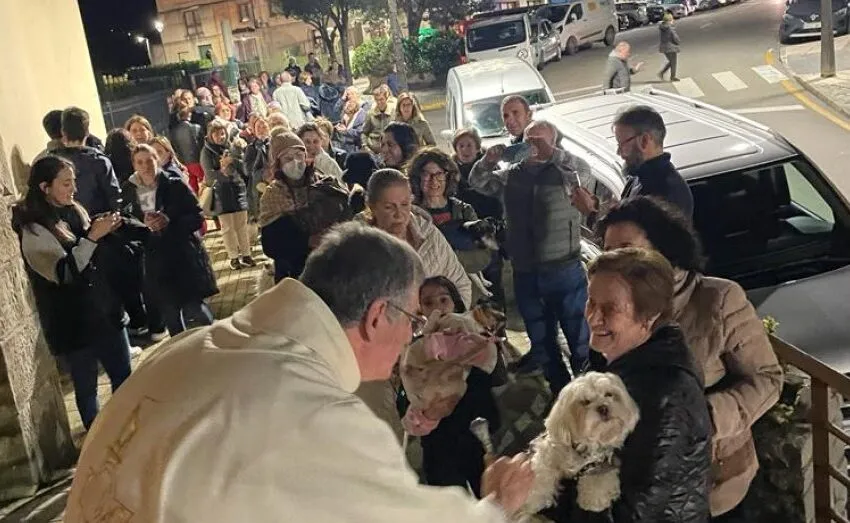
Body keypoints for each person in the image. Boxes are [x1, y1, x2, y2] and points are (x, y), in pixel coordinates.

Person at [64, 221, 534, 522]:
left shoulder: (183, 349)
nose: (412, 337)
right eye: (412, 320)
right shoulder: (314, 410)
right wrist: (496, 506)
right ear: (376, 317)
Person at [596, 196, 783, 520]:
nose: (616, 262)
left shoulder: (718, 300)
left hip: (714, 481)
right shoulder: (608, 307)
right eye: (609, 252)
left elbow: (767, 378)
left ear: (664, 249)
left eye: (627, 249)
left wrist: (703, 418)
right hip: (635, 481)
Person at [547, 247, 712, 523]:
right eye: (590, 302)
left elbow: (634, 514)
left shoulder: (666, 395)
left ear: (650, 316)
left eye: (609, 308)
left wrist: (558, 502)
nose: (593, 317)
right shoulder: (615, 358)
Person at [469, 120, 591, 394]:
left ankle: (589, 391)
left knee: (580, 339)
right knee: (542, 341)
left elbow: (584, 171)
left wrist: (553, 154)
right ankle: (561, 394)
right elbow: (477, 181)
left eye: (540, 140)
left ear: (554, 142)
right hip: (526, 272)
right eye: (529, 139)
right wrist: (488, 160)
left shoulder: (566, 173)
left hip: (565, 269)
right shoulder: (511, 175)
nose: (533, 145)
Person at [12, 156, 134, 430]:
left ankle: (127, 431)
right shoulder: (34, 229)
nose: (73, 189)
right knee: (87, 386)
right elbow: (65, 273)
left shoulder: (73, 209)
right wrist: (93, 237)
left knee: (124, 377)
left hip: (104, 309)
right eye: (66, 183)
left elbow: (88, 247)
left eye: (74, 182)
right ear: (45, 187)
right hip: (73, 321)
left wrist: (104, 228)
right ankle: (98, 440)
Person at [415, 276, 502, 497]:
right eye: (428, 303)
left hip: (475, 432)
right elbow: (410, 400)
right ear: (419, 311)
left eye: (444, 300)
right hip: (438, 442)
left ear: (455, 302)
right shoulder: (415, 350)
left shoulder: (474, 335)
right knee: (451, 505)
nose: (438, 308)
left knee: (491, 497)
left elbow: (492, 374)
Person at [121, 144, 218, 337]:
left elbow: (197, 216)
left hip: (181, 255)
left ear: (157, 160)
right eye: (140, 162)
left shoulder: (174, 185)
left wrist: (169, 220)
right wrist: (141, 225)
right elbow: (126, 222)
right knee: (171, 313)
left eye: (149, 160)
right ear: (134, 164)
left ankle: (215, 338)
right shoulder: (128, 191)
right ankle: (182, 350)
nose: (145, 166)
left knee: (194, 307)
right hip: (154, 261)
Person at [571, 105, 694, 222]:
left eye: (622, 144)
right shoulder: (638, 178)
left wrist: (591, 214)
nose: (619, 152)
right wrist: (596, 208)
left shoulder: (665, 193)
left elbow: (631, 236)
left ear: (644, 140)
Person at [259, 131, 350, 282]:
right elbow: (270, 245)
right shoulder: (272, 196)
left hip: (329, 269)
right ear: (278, 163)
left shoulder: (322, 183)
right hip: (293, 274)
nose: (295, 161)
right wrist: (306, 241)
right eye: (288, 158)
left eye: (299, 155)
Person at [200, 119, 255, 270]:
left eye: (222, 133)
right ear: (210, 135)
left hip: (237, 189)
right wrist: (222, 171)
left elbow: (244, 169)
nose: (221, 137)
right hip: (221, 193)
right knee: (227, 227)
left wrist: (234, 161)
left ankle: (246, 254)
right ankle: (233, 257)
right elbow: (209, 176)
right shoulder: (206, 152)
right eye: (217, 134)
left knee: (241, 225)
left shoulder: (232, 147)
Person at [54, 107, 121, 216]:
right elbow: (115, 197)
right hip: (100, 221)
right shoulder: (99, 161)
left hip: (66, 224)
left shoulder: (52, 163)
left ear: (63, 132)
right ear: (87, 132)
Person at [452, 127, 502, 220]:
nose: (465, 149)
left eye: (469, 145)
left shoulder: (489, 164)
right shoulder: (452, 170)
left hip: (492, 215)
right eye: (461, 146)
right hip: (466, 218)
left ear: (477, 148)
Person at [168, 105, 204, 194]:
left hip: (184, 163)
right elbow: (202, 145)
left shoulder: (173, 132)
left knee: (193, 187)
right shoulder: (196, 128)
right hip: (197, 161)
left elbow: (174, 148)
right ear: (189, 115)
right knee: (205, 185)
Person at [244, 116, 271, 220]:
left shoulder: (275, 144)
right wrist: (260, 153)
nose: (261, 129)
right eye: (258, 127)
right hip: (257, 187)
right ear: (254, 131)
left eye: (264, 126)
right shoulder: (251, 148)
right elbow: (247, 170)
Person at [361, 84, 395, 154]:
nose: (379, 102)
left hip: (389, 148)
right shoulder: (370, 114)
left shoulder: (394, 113)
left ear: (386, 98)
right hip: (373, 148)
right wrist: (365, 146)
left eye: (381, 99)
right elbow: (364, 133)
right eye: (376, 100)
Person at [335, 87, 368, 154]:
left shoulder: (362, 112)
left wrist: (346, 131)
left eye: (352, 94)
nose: (349, 96)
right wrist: (342, 98)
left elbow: (360, 133)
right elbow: (336, 110)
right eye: (348, 94)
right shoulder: (346, 108)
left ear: (357, 95)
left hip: (354, 146)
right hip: (343, 144)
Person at [658, 12, 681, 82]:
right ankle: (672, 76)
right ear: (669, 20)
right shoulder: (670, 28)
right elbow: (675, 38)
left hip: (664, 47)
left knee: (671, 62)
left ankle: (662, 73)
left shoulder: (662, 27)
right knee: (673, 62)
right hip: (671, 47)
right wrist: (678, 42)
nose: (673, 21)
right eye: (672, 19)